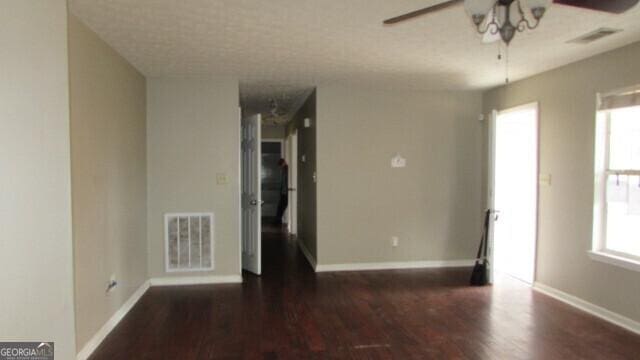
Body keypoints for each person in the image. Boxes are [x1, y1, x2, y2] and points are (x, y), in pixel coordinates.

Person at [274, 158, 289, 225]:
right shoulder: (284, 170)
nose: (281, 167)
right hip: (284, 192)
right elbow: (283, 182)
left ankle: (278, 220)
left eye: (281, 165)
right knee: (280, 206)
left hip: (285, 192)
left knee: (281, 206)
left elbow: (285, 182)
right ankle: (278, 220)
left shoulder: (286, 170)